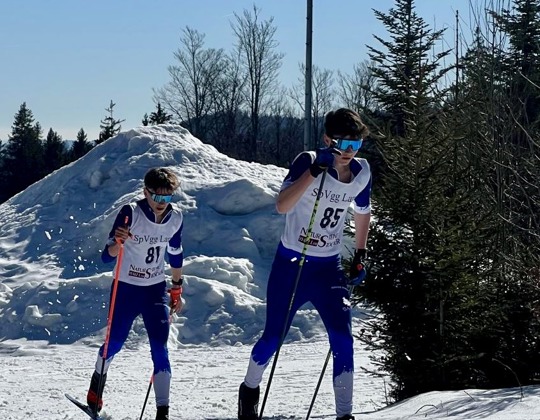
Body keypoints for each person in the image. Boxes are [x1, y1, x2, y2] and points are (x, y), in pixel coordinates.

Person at [238, 108, 372, 420]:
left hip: (328, 269)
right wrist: (313, 172)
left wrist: (361, 254)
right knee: (273, 337)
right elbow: (282, 205)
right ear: (328, 140)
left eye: (356, 146)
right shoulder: (307, 160)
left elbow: (363, 212)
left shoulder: (362, 172)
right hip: (292, 264)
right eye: (344, 145)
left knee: (342, 338)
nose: (349, 153)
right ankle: (249, 389)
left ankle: (345, 414)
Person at [86, 167, 185, 420]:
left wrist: (176, 286)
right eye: (156, 197)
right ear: (145, 192)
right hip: (127, 288)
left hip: (154, 290)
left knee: (160, 349)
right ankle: (97, 385)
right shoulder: (131, 213)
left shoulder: (176, 218)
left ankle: (163, 411)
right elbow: (106, 258)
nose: (162, 203)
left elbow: (175, 253)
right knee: (115, 342)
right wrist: (117, 244)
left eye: (167, 197)